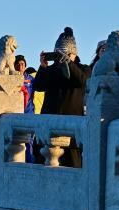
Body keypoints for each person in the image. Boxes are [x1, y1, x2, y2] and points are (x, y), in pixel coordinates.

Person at [33, 27, 88, 167]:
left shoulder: (83, 69)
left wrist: (69, 63)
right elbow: (38, 86)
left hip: (72, 131)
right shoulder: (52, 69)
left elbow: (82, 81)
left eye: (64, 53)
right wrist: (43, 67)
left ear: (73, 53)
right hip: (48, 127)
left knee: (73, 169)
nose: (61, 57)